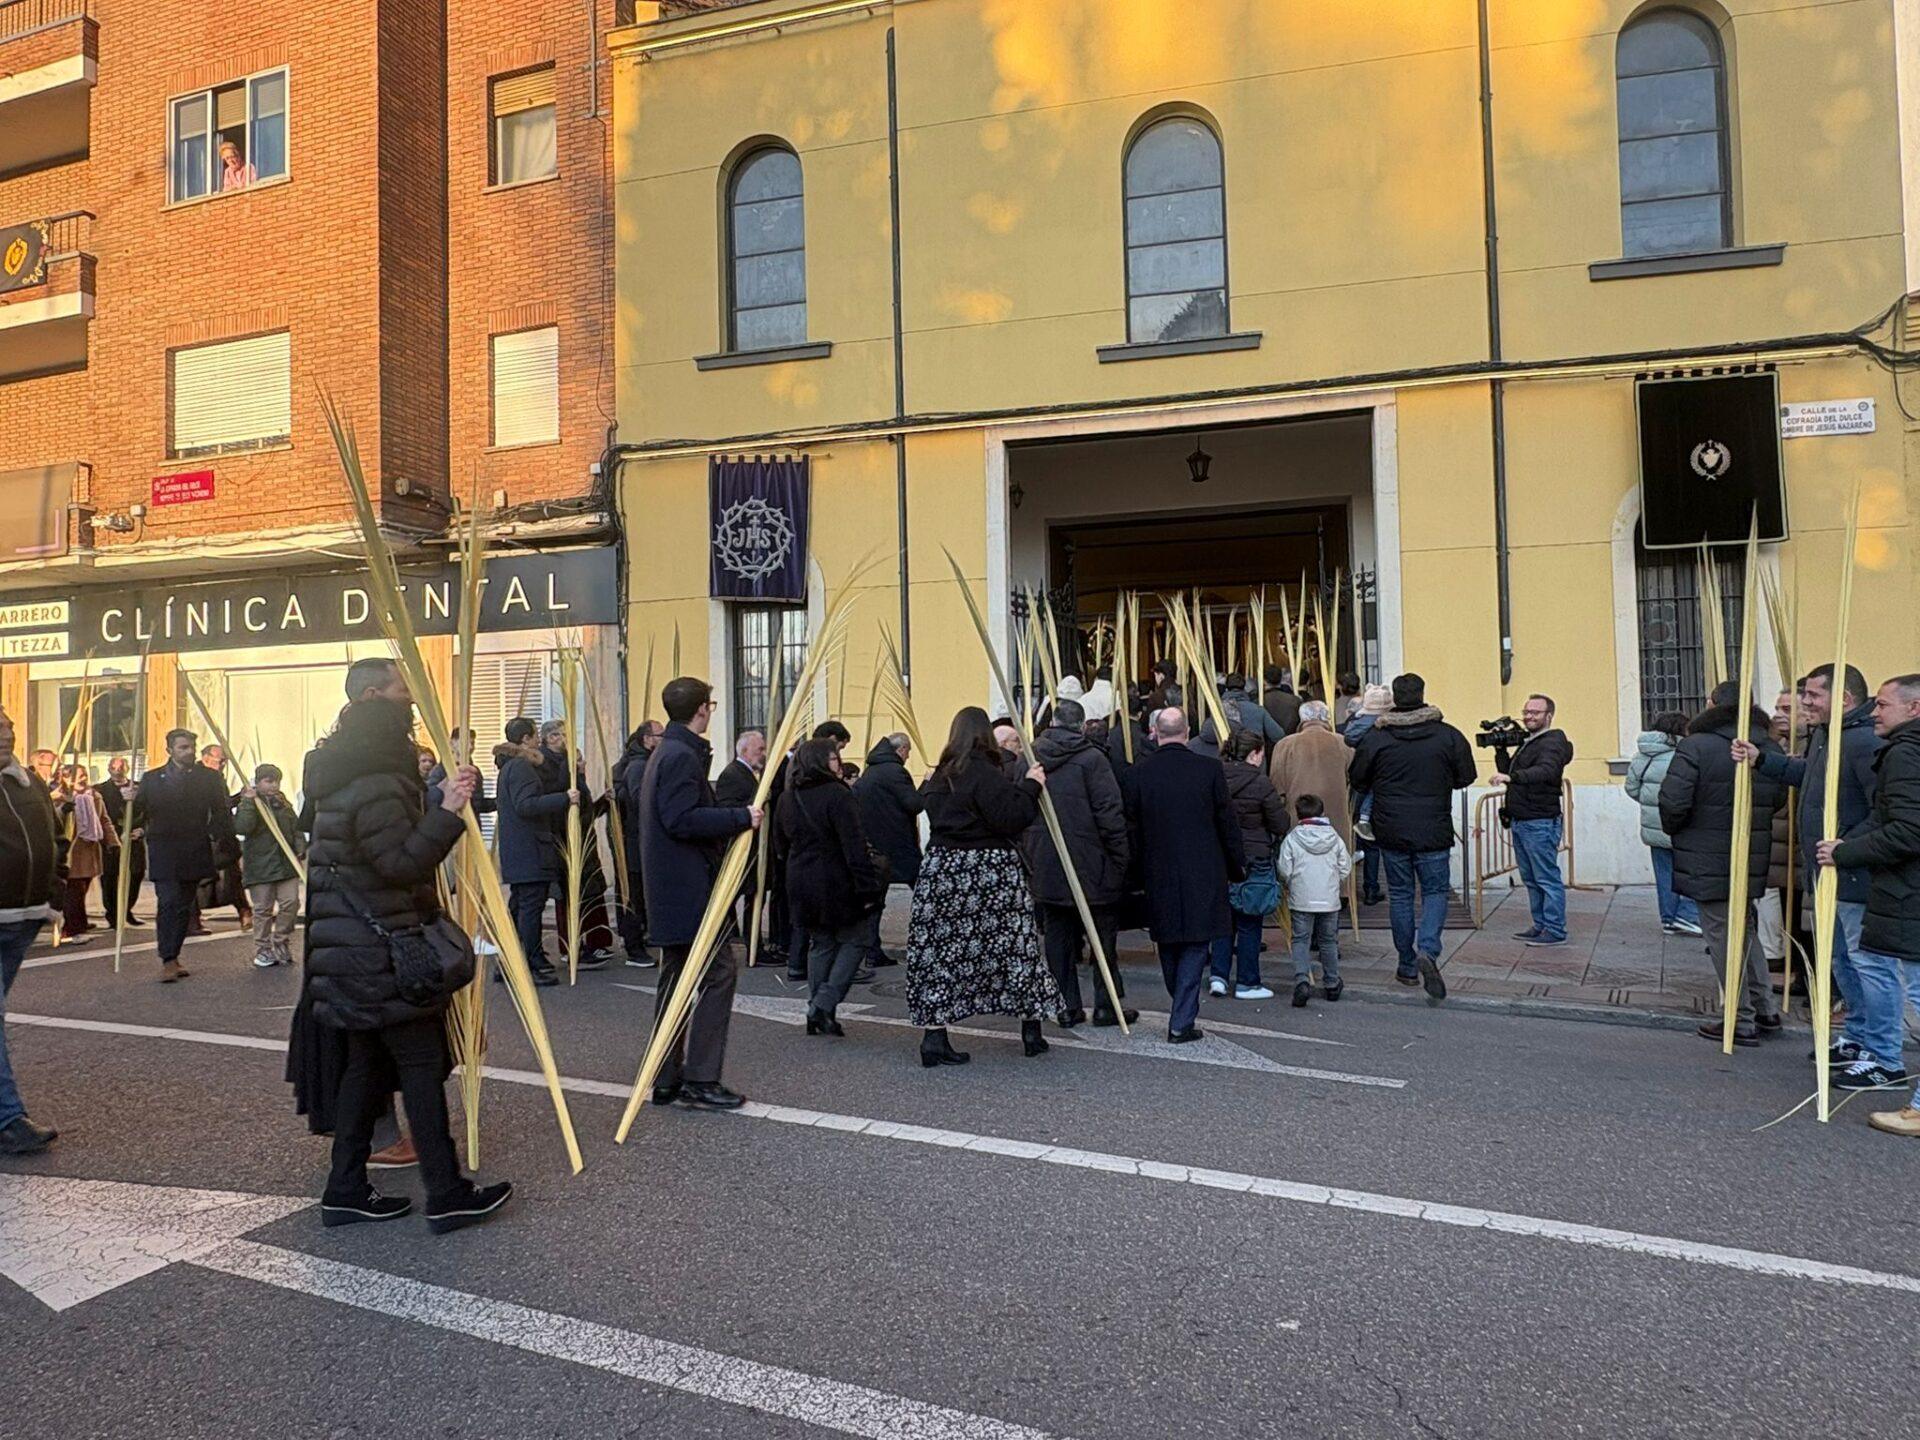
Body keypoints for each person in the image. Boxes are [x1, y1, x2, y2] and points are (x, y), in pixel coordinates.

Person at [305, 657, 510, 1233]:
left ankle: (345, 1189)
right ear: (375, 697)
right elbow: (400, 863)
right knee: (420, 1067)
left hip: (352, 949)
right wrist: (446, 812)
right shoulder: (376, 779)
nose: (413, 705)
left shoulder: (344, 769)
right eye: (404, 694)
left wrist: (434, 799)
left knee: (365, 1068)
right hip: (385, 952)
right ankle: (446, 1192)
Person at [1735, 664, 1880, 1068]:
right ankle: (1857, 1037)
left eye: (1813, 695)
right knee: (1840, 962)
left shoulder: (1862, 741)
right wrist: (1762, 759)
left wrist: (1847, 845)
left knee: (1860, 964)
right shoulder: (1826, 736)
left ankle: (1877, 1047)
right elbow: (1808, 776)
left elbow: (1883, 808)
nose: (1805, 703)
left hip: (1852, 874)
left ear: (1844, 699)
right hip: (1829, 871)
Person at [909, 706, 1061, 1065]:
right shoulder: (984, 772)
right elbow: (1010, 817)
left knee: (941, 954)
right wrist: (1031, 786)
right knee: (1016, 948)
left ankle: (934, 1037)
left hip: (942, 870)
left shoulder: (939, 776)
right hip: (989, 872)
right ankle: (1031, 1030)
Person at [639, 676, 761, 1109]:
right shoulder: (680, 756)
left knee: (676, 981)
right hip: (687, 889)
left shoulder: (667, 752)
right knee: (718, 974)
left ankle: (666, 1075)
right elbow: (681, 819)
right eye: (710, 705)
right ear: (702, 710)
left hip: (672, 888)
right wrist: (740, 817)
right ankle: (701, 1078)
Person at [1658, 681, 1789, 1046]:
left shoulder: (1697, 745)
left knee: (1722, 936)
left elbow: (1673, 800)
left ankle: (1740, 1017)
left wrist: (1680, 830)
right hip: (1750, 851)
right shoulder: (1767, 746)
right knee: (1744, 930)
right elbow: (1777, 797)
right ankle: (1765, 1008)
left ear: (1712, 705)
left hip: (1707, 853)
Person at [1817, 674, 1920, 1126]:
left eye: (1883, 704)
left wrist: (1846, 852)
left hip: (1907, 893)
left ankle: (1894, 1071)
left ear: (1913, 709)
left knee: (1903, 983)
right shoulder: (1897, 749)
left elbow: (1907, 830)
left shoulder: (1904, 753)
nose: (1875, 712)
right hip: (1902, 890)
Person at [1349, 673, 1474, 1003]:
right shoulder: (1447, 735)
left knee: (1401, 895)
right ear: (1422, 694)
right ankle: (1428, 950)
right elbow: (1466, 776)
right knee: (1435, 891)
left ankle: (1406, 965)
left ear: (1395, 699)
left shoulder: (1377, 738)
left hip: (1391, 829)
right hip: (1434, 827)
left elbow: (1358, 779)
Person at [1124, 707, 1245, 1042]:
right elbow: (1226, 822)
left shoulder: (1137, 774)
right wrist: (1237, 865)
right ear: (1187, 731)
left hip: (1157, 868)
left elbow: (1131, 830)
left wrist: (1133, 873)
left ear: (1155, 732)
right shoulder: (1209, 769)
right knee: (1196, 941)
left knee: (1167, 939)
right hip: (1203, 867)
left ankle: (1180, 1005)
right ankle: (1181, 1017)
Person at [1025, 699, 1134, 1028]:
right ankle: (1106, 1004)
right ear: (1082, 726)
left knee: (1057, 937)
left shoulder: (1029, 758)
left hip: (1046, 860)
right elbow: (1109, 813)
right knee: (1102, 937)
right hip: (1092, 861)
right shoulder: (1093, 760)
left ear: (1053, 722)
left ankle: (1065, 1006)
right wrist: (1120, 859)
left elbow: (1020, 808)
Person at [772, 739, 883, 1035]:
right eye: (835, 758)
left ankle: (820, 1013)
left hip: (800, 878)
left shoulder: (787, 797)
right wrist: (868, 887)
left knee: (821, 944)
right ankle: (824, 1002)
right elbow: (854, 845)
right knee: (857, 939)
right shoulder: (838, 794)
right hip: (836, 879)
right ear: (822, 762)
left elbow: (779, 845)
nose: (839, 763)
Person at [0, 706, 61, 1155]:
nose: (5, 736)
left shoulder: (28, 783)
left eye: (7, 728)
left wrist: (53, 896)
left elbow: (55, 839)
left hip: (24, 918)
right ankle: (7, 1119)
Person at [136, 728, 238, 982]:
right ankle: (168, 958)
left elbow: (221, 811)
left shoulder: (209, 778)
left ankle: (175, 954)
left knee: (184, 905)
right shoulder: (151, 779)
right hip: (164, 849)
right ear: (169, 750)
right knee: (168, 902)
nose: (189, 752)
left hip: (194, 847)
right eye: (183, 747)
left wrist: (215, 836)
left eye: (191, 747)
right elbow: (138, 812)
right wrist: (128, 802)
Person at [1492, 693, 1574, 948]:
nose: (1529, 717)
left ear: (1548, 716)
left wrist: (1513, 778)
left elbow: (1546, 771)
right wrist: (1499, 749)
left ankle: (1555, 930)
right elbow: (1508, 771)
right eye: (1526, 712)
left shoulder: (1553, 742)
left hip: (1539, 821)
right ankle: (1540, 925)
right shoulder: (1530, 741)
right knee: (1530, 878)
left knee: (1546, 878)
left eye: (1535, 713)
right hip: (1522, 819)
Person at [1211, 729, 1287, 1000]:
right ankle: (1247, 982)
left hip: (1220, 857)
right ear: (1254, 753)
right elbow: (1280, 823)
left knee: (1223, 921)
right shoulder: (1261, 783)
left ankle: (1218, 976)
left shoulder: (1214, 777)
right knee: (1250, 922)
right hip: (1254, 857)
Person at [496, 718, 568, 986]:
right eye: (535, 735)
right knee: (530, 909)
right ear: (525, 739)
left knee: (520, 906)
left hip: (520, 849)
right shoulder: (521, 766)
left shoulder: (509, 766)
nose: (539, 739)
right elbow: (526, 805)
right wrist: (564, 798)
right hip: (529, 849)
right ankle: (529, 963)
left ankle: (510, 962)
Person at [540, 719, 616, 971]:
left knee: (590, 892)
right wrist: (571, 768)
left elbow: (584, 811)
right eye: (561, 735)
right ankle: (572, 945)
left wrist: (602, 803)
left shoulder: (570, 768)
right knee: (570, 895)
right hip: (565, 841)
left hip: (583, 840)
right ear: (550, 738)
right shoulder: (549, 765)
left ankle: (595, 942)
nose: (565, 738)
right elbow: (559, 801)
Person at [1623, 711, 1701, 936]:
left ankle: (1668, 919)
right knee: (1691, 870)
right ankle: (1686, 915)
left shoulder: (1643, 754)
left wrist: (1651, 803)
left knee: (1664, 872)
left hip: (1654, 825)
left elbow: (1631, 788)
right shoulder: (1685, 754)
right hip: (1683, 823)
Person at [1276, 793, 1353, 1007]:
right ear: (1322, 812)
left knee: (1301, 940)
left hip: (1301, 898)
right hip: (1329, 898)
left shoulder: (1292, 838)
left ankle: (1302, 980)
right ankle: (1332, 983)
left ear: (1298, 814)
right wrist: (1334, 880)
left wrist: (1290, 882)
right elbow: (1346, 866)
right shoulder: (1334, 837)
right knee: (1328, 941)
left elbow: (1284, 869)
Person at [855, 732, 923, 967]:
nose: (908, 756)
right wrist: (926, 784)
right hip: (898, 843)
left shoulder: (870, 771)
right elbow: (914, 804)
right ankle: (925, 941)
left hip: (875, 844)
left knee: (876, 900)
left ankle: (872, 950)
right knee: (924, 892)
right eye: (908, 751)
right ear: (901, 749)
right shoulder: (896, 772)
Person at [235, 763, 305, 968]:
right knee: (263, 909)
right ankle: (263, 948)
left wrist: (300, 848)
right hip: (260, 865)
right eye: (269, 781)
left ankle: (281, 939)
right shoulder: (250, 802)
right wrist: (248, 802)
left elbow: (295, 828)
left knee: (291, 903)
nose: (274, 785)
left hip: (286, 864)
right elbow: (243, 827)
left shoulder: (283, 804)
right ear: (258, 782)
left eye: (276, 781)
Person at [613, 720, 663, 967]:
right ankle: (634, 947)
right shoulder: (638, 766)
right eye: (660, 735)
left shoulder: (642, 763)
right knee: (633, 895)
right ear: (647, 739)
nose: (663, 739)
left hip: (637, 841)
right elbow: (640, 801)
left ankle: (638, 937)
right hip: (634, 842)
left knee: (639, 894)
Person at [1345, 684, 1391, 902]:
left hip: (1357, 783)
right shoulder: (1388, 728)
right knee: (1375, 843)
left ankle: (1346, 890)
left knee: (1354, 838)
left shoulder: (1354, 725)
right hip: (1382, 787)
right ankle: (1371, 888)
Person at [58, 767, 116, 937]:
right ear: (67, 779)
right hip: (71, 850)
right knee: (73, 891)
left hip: (90, 849)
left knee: (82, 889)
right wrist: (64, 808)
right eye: (79, 776)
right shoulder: (60, 796)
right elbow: (53, 819)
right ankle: (74, 927)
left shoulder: (94, 796)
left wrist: (112, 841)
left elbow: (103, 820)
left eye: (85, 775)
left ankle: (78, 921)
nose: (83, 779)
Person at [200, 743, 252, 930]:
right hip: (208, 836)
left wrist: (238, 797)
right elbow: (217, 806)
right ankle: (194, 918)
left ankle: (244, 911)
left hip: (223, 837)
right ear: (206, 758)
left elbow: (223, 805)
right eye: (220, 761)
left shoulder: (216, 777)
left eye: (224, 761)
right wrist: (238, 798)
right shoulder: (200, 778)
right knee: (202, 880)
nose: (222, 764)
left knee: (232, 878)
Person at [98, 756, 144, 928]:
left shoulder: (138, 788)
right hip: (112, 840)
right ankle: (113, 913)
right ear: (108, 769)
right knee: (110, 877)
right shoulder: (101, 790)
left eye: (121, 767)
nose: (117, 770)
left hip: (134, 838)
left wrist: (141, 830)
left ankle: (126, 908)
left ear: (127, 768)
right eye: (114, 767)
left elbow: (148, 811)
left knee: (136, 874)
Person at [1221, 672, 1283, 748]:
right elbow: (1278, 735)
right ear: (1244, 688)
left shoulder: (1218, 710)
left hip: (1226, 753)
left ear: (1226, 688)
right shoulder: (1258, 710)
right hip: (1254, 753)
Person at [1262, 665, 1303, 739]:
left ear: (1264, 680)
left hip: (1266, 744)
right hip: (1290, 742)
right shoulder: (1295, 701)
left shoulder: (1259, 701)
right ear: (1281, 679)